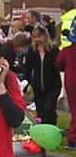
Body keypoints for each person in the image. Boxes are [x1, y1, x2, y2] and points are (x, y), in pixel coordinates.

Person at [24, 24, 61, 125]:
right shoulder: (32, 51)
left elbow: (59, 66)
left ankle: (52, 128)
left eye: (39, 36)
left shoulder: (54, 51)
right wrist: (26, 85)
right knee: (40, 112)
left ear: (45, 36)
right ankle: (43, 131)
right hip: (38, 87)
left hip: (53, 86)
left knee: (49, 109)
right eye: (34, 37)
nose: (37, 39)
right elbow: (27, 69)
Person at [55, 18, 76, 150]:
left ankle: (72, 137)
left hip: (71, 81)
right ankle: (72, 138)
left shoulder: (67, 50)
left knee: (74, 109)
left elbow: (58, 64)